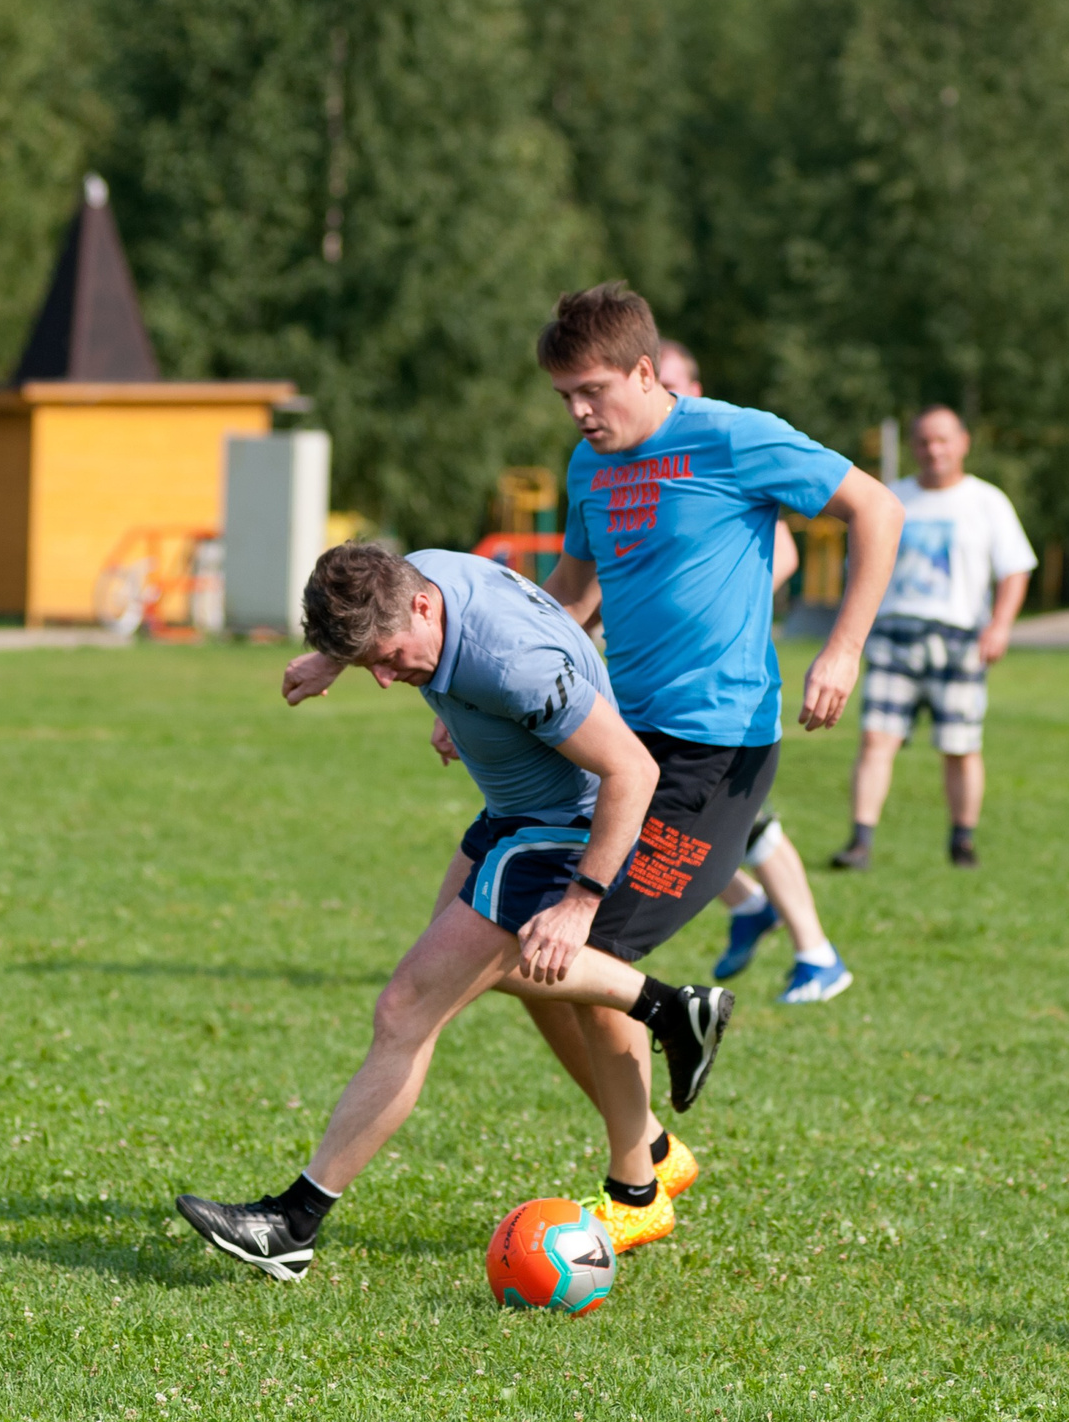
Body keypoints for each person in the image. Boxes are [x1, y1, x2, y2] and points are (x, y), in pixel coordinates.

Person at [176, 545, 735, 1279]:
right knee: (464, 977)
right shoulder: (414, 575)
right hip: (511, 813)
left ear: (422, 606)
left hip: (558, 829)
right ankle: (666, 1029)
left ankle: (293, 1225)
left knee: (407, 1008)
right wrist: (336, 662)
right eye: (369, 665)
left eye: (388, 659)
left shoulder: (511, 666)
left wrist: (580, 902)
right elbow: (414, 636)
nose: (385, 678)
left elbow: (633, 768)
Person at [537, 283, 901, 1050]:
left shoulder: (734, 437)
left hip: (715, 747)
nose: (578, 412)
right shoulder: (587, 465)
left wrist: (842, 650)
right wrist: (494, 688)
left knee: (581, 954)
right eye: (565, 396)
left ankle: (675, 1051)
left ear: (645, 372)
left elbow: (877, 508)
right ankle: (650, 1126)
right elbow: (572, 592)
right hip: (623, 742)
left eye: (592, 391)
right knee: (540, 947)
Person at [650, 339, 854, 1001]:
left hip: (718, 694)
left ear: (694, 386)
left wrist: (721, 605)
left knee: (747, 825)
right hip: (654, 689)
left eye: (673, 381)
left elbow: (784, 552)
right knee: (647, 815)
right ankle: (751, 909)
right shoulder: (632, 459)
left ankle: (814, 951)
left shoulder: (725, 444)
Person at [831, 404, 1033, 871]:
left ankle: (962, 841)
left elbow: (1015, 569)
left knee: (960, 745)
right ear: (913, 446)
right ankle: (860, 842)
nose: (933, 450)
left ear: (963, 443)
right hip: (895, 633)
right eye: (923, 441)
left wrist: (1000, 624)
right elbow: (859, 566)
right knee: (876, 738)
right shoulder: (891, 498)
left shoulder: (986, 501)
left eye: (942, 440)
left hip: (959, 636)